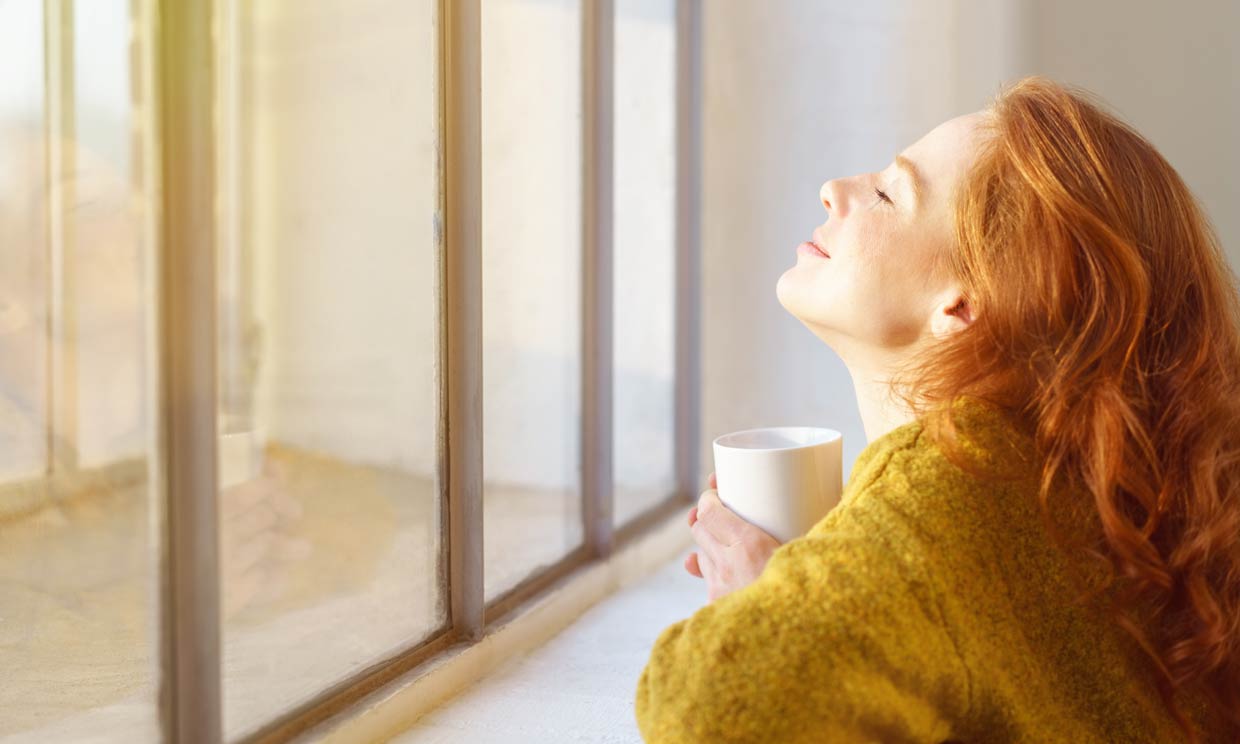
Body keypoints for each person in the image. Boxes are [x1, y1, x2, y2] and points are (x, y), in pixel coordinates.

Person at [636, 75, 1239, 743]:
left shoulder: (952, 490)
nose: (836, 190)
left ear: (963, 304)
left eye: (890, 193)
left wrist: (758, 609)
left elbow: (710, 708)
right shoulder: (1068, 481)